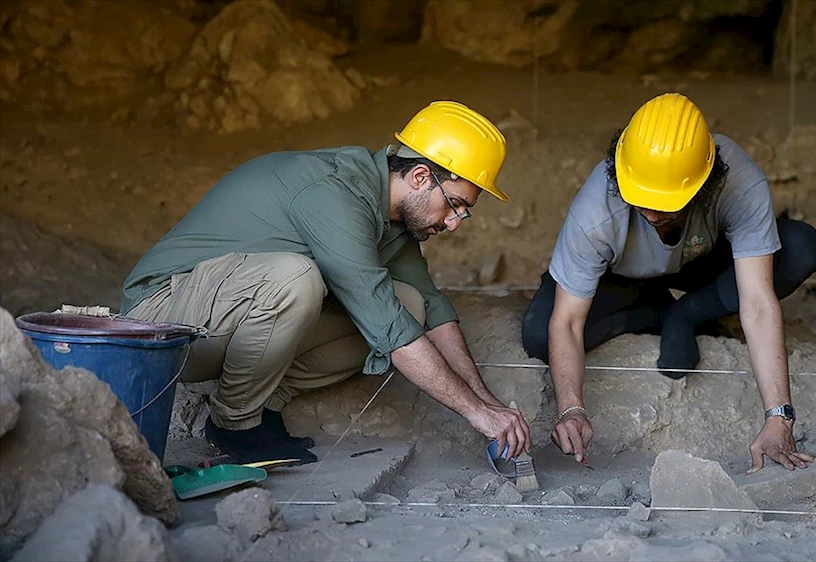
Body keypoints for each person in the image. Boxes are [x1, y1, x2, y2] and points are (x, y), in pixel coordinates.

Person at [122, 101, 531, 465]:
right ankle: (234, 421)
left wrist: (490, 405)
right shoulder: (336, 194)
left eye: (464, 212)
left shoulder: (396, 220)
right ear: (421, 176)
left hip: (223, 324)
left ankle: (265, 404)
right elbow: (386, 325)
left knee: (410, 303)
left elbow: (431, 308)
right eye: (454, 204)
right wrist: (474, 413)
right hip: (161, 326)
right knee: (297, 278)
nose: (454, 223)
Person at [521, 93, 816, 474]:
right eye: (640, 198)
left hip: (701, 261)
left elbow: (758, 302)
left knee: (799, 247)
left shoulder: (739, 183)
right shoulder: (596, 211)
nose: (651, 213)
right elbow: (566, 321)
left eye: (665, 203)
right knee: (539, 333)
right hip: (623, 277)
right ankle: (655, 310)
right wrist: (571, 409)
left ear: (705, 184)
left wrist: (779, 418)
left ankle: (689, 311)